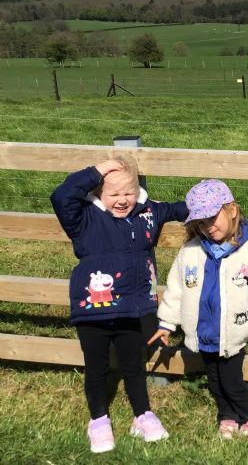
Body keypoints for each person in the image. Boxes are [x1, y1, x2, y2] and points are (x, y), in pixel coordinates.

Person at [50, 157, 188, 453]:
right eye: (114, 194)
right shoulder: (83, 217)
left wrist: (213, 201)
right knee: (96, 367)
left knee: (133, 364)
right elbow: (61, 196)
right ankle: (98, 420)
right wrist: (98, 170)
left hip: (132, 308)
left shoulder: (148, 211)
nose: (123, 200)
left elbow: (180, 209)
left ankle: (142, 415)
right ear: (98, 193)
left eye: (129, 192)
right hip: (92, 311)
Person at [148, 179, 248, 439]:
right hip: (203, 332)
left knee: (231, 380)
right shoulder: (191, 251)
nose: (208, 226)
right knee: (215, 380)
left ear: (232, 210)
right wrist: (166, 323)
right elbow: (176, 289)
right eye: (201, 222)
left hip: (232, 333)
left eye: (212, 218)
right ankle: (227, 416)